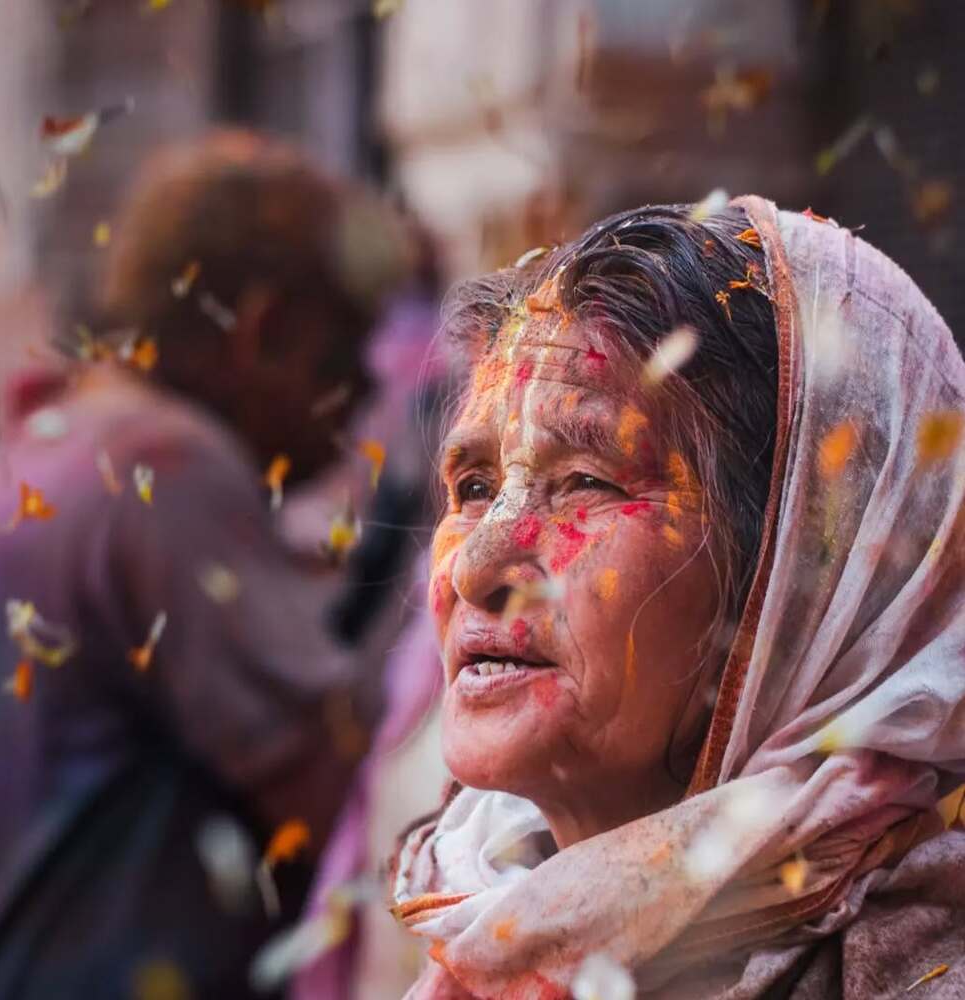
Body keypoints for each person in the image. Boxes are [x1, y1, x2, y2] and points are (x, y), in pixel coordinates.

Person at [390, 196, 965, 998]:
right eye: (475, 486)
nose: (475, 568)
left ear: (803, 581)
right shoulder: (455, 908)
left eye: (587, 482)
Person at [0, 130, 403, 999]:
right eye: (339, 354)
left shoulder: (65, 431)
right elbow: (335, 801)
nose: (360, 398)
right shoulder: (164, 460)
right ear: (263, 331)